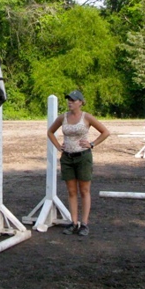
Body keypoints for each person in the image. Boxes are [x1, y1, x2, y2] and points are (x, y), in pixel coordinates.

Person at [47, 90, 110, 236]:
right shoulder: (63, 117)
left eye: (73, 100)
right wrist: (58, 146)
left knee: (84, 190)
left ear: (80, 102)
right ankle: (73, 222)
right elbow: (50, 132)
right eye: (69, 99)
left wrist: (92, 144)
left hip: (83, 157)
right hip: (67, 157)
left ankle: (84, 223)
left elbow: (105, 132)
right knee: (71, 191)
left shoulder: (86, 117)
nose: (70, 102)